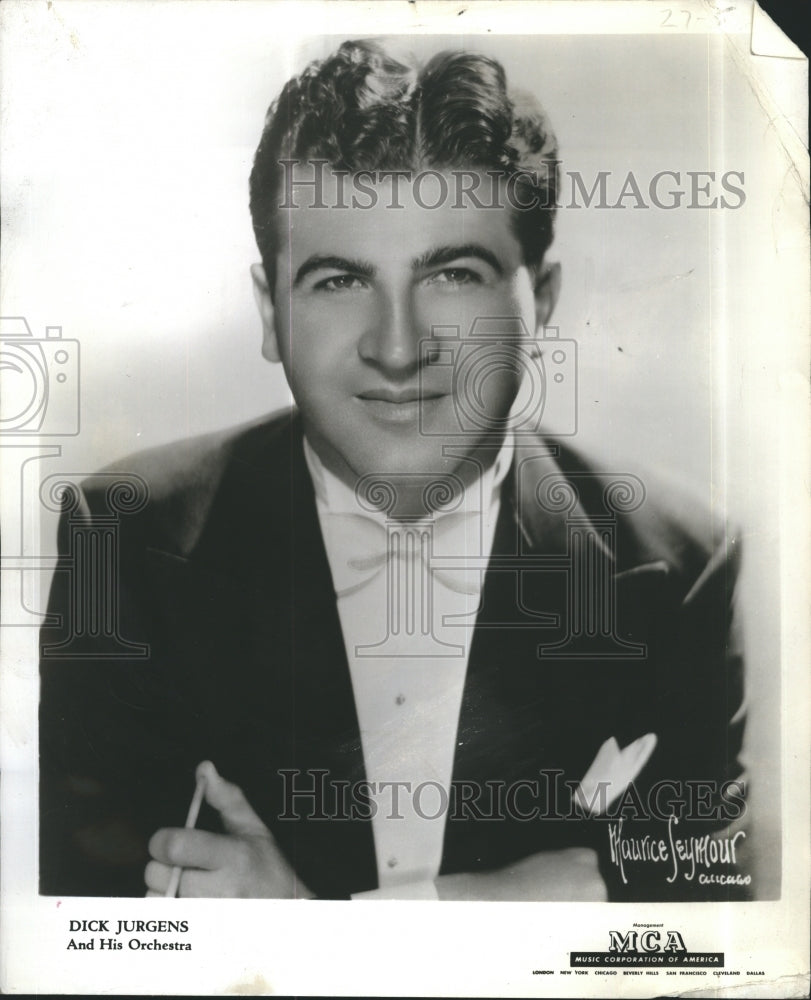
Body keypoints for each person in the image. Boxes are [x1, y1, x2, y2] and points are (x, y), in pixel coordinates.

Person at [39, 39, 746, 902]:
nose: (398, 348)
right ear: (270, 312)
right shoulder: (128, 541)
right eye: (337, 281)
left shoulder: (675, 563)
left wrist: (322, 935)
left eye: (453, 273)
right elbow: (86, 938)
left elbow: (706, 925)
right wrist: (504, 904)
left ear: (543, 296)